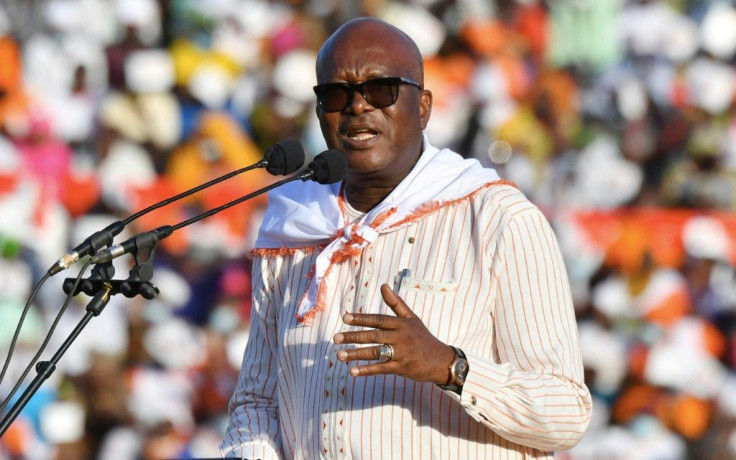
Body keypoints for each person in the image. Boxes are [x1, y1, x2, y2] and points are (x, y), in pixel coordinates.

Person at [221, 17, 592, 459]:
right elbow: (257, 401)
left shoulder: (496, 219)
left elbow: (566, 412)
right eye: (337, 94)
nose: (358, 107)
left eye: (381, 90)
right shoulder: (293, 225)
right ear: (320, 112)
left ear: (424, 108)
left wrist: (449, 367)